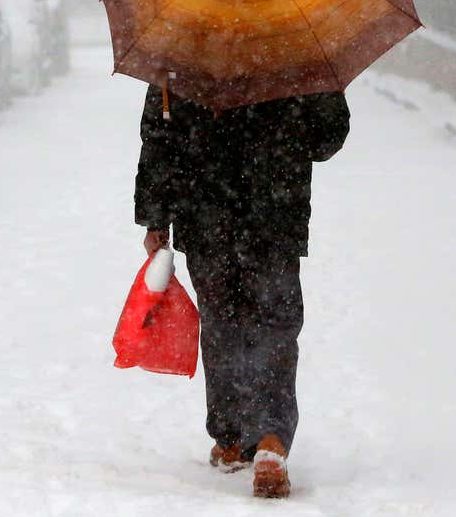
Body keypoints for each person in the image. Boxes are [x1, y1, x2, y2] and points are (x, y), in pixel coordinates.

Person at [134, 83, 350, 499]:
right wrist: (294, 117)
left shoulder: (182, 43)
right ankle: (270, 438)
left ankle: (231, 436)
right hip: (275, 211)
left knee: (222, 320)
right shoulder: (296, 48)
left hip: (205, 212)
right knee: (275, 323)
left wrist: (155, 218)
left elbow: (159, 138)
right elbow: (327, 139)